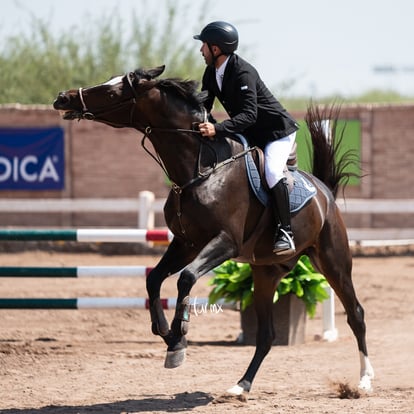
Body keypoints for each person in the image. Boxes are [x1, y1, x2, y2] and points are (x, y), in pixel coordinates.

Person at [194, 21, 298, 255]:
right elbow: (204, 106)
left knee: (272, 172)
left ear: (216, 49)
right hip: (251, 132)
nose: (201, 51)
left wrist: (217, 129)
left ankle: (285, 232)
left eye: (203, 46)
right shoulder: (211, 72)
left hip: (277, 133)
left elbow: (249, 115)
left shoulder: (243, 72)